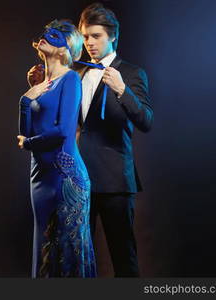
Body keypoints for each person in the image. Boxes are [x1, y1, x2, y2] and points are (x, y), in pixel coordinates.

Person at [28, 3, 153, 277]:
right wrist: (38, 86)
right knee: (74, 255)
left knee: (123, 255)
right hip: (74, 179)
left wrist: (122, 89)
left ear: (113, 37)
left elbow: (146, 121)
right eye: (85, 36)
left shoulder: (132, 74)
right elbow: (58, 119)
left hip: (114, 182)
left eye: (96, 36)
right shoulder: (76, 74)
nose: (89, 43)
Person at [17, 19, 96, 278]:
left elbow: (62, 132)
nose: (44, 38)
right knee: (42, 246)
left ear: (64, 49)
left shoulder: (70, 79)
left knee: (66, 250)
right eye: (44, 35)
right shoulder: (42, 84)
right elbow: (26, 132)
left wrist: (28, 143)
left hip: (65, 179)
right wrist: (26, 99)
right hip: (40, 176)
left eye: (53, 37)